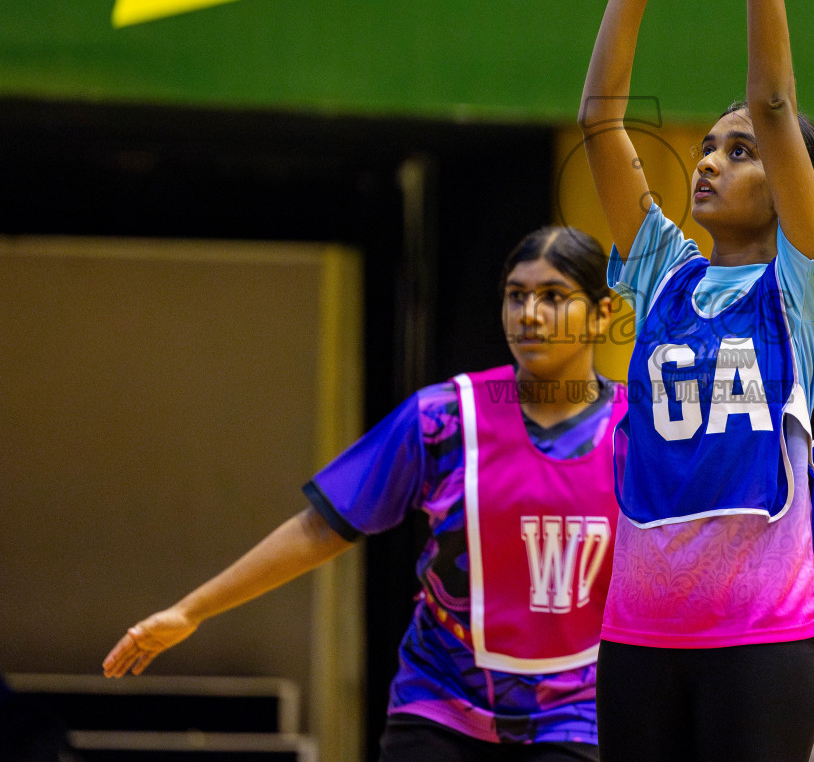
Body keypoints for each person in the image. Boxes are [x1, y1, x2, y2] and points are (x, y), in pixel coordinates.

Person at [102, 228, 626, 761]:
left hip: (575, 711)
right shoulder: (443, 417)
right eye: (517, 295)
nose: (529, 314)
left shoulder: (639, 433)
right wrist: (191, 611)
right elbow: (320, 527)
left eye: (554, 297)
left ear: (603, 313)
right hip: (442, 699)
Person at [577, 0, 814, 762]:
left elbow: (774, 99)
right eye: (706, 146)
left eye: (739, 154)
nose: (708, 162)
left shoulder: (808, 288)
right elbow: (602, 122)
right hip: (639, 637)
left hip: (764, 642)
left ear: (783, 183)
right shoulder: (661, 275)